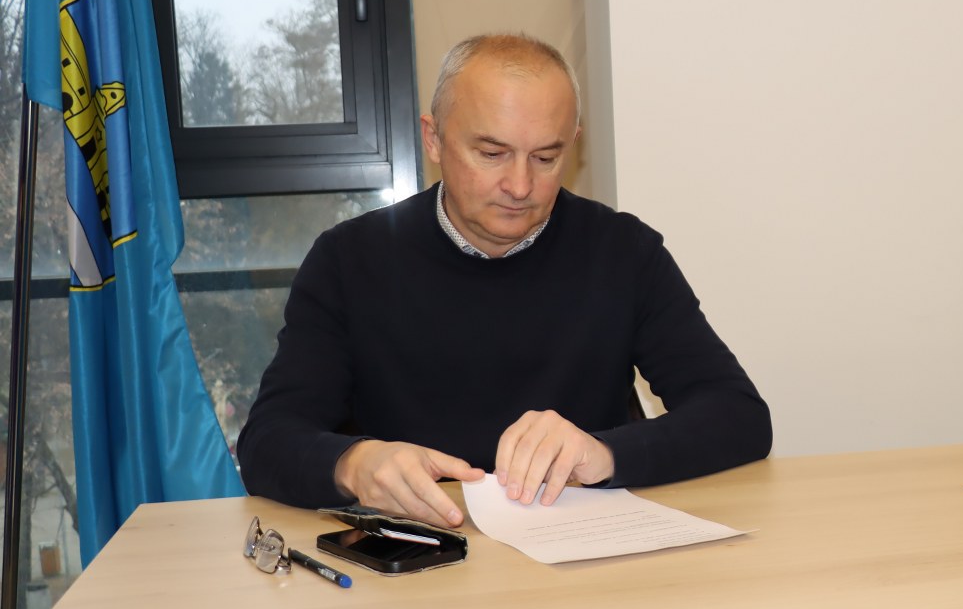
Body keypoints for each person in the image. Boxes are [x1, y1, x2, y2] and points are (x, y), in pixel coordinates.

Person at [237, 34, 771, 525]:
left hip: (579, 549)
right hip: (416, 556)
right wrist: (353, 464)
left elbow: (739, 415)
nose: (520, 185)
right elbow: (268, 441)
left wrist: (606, 454)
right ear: (434, 139)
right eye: (492, 154)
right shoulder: (349, 260)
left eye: (546, 157)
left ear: (573, 144)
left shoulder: (624, 252)